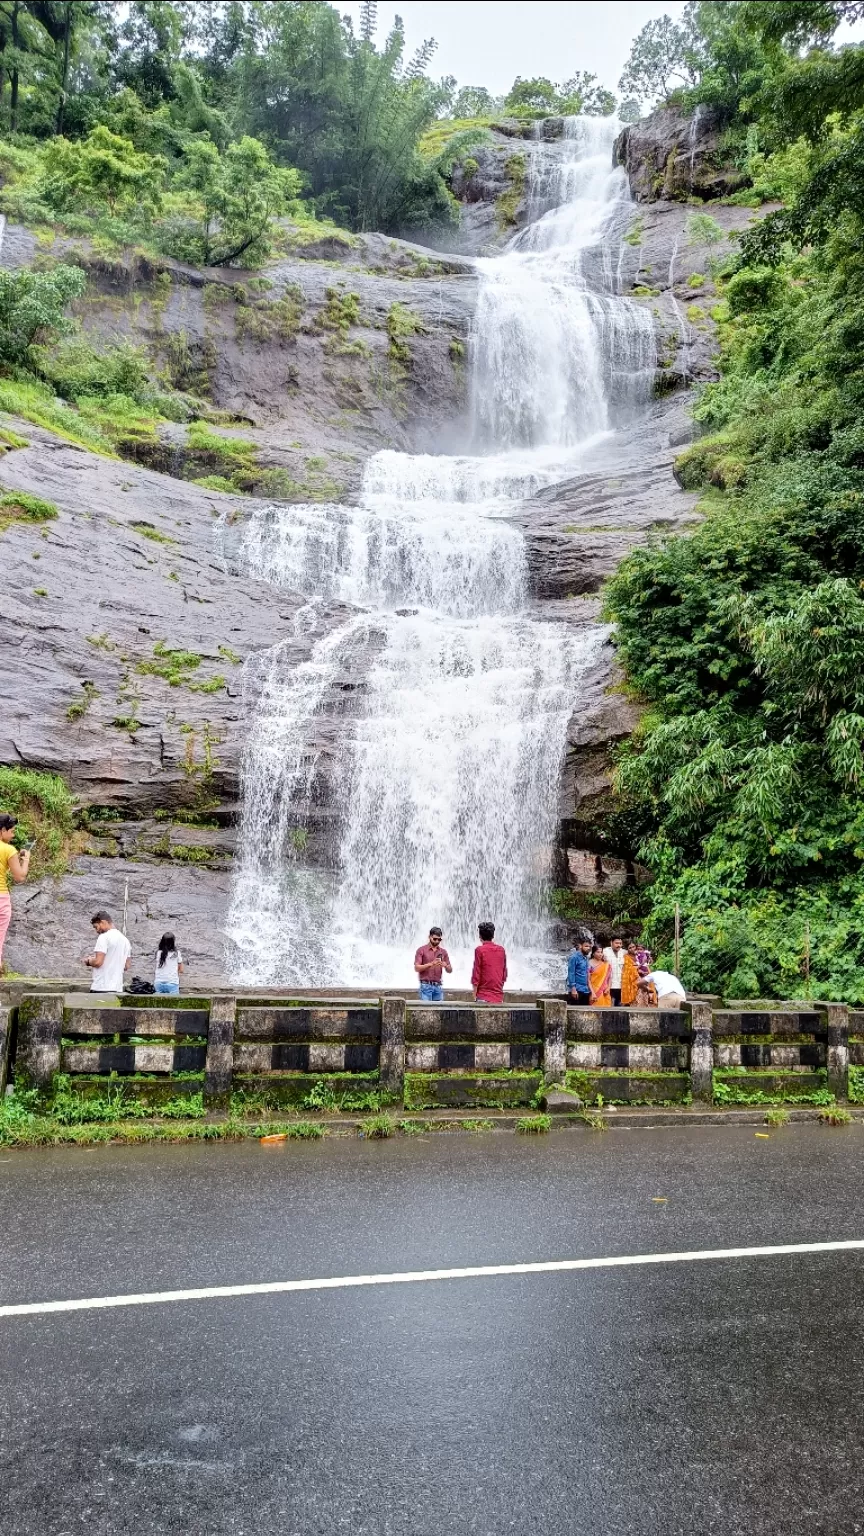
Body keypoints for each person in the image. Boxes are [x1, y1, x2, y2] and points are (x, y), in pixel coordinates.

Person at [0, 814, 30, 973]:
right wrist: (25, 860)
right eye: (11, 831)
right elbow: (19, 877)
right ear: (2, 830)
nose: (13, 835)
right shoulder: (8, 849)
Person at [84, 910, 131, 994]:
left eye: (96, 927)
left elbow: (98, 962)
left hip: (101, 987)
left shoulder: (104, 937)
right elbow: (126, 966)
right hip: (117, 989)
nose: (96, 931)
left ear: (103, 922)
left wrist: (89, 961)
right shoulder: (125, 940)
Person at [471, 921, 507, 1005]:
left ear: (480, 936)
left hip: (483, 996)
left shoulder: (479, 950)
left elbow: (476, 974)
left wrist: (474, 995)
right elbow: (504, 974)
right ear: (493, 936)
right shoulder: (501, 950)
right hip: (498, 998)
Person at [414, 926, 452, 1002]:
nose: (437, 941)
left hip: (438, 986)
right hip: (425, 986)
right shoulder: (421, 950)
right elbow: (416, 968)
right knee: (426, 1011)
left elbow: (450, 970)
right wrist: (431, 964)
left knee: (440, 1011)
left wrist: (445, 966)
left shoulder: (443, 952)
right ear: (429, 937)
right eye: (434, 939)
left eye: (439, 939)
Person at [154, 931, 184, 996]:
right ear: (173, 942)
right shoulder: (176, 953)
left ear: (162, 941)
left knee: (158, 1005)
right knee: (174, 1005)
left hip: (158, 983)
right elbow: (181, 970)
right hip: (172, 983)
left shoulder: (158, 953)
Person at [567, 937, 592, 1005]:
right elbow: (571, 973)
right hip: (577, 990)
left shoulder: (586, 958)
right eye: (586, 946)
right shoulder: (574, 957)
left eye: (589, 946)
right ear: (580, 946)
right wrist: (573, 989)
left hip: (586, 990)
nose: (588, 948)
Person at [602, 935, 626, 1006]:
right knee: (610, 1007)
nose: (619, 945)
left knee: (620, 1008)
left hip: (622, 985)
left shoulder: (624, 952)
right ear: (611, 943)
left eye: (620, 943)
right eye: (616, 943)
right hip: (609, 985)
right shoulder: (604, 951)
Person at [621, 942, 640, 1007]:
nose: (632, 949)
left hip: (642, 979)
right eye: (630, 948)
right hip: (631, 981)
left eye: (633, 947)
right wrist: (636, 969)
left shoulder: (640, 955)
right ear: (627, 950)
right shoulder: (625, 957)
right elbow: (626, 970)